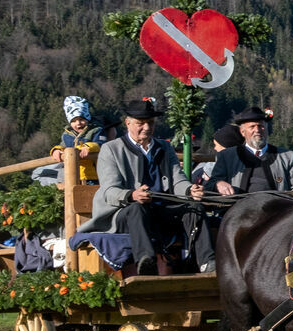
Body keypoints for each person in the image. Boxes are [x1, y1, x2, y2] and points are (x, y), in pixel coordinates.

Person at [76, 96, 213, 274]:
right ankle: (145, 262)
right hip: (125, 211)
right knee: (137, 209)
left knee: (195, 208)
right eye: (141, 123)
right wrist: (131, 195)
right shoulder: (111, 149)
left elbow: (177, 179)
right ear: (128, 123)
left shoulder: (164, 148)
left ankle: (207, 262)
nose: (147, 128)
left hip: (160, 209)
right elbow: (110, 190)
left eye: (151, 123)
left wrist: (189, 190)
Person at [208, 106, 293, 196]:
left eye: (261, 126)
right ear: (242, 132)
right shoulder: (227, 156)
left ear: (267, 129)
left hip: (278, 212)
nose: (257, 130)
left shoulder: (287, 157)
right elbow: (210, 184)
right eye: (252, 127)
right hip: (238, 211)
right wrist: (218, 184)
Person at [51, 95, 110, 183]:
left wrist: (88, 147)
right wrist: (56, 150)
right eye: (74, 121)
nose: (78, 123)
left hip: (93, 175)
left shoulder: (96, 130)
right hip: (72, 174)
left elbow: (101, 143)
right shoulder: (67, 134)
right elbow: (62, 145)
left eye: (81, 119)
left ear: (87, 118)